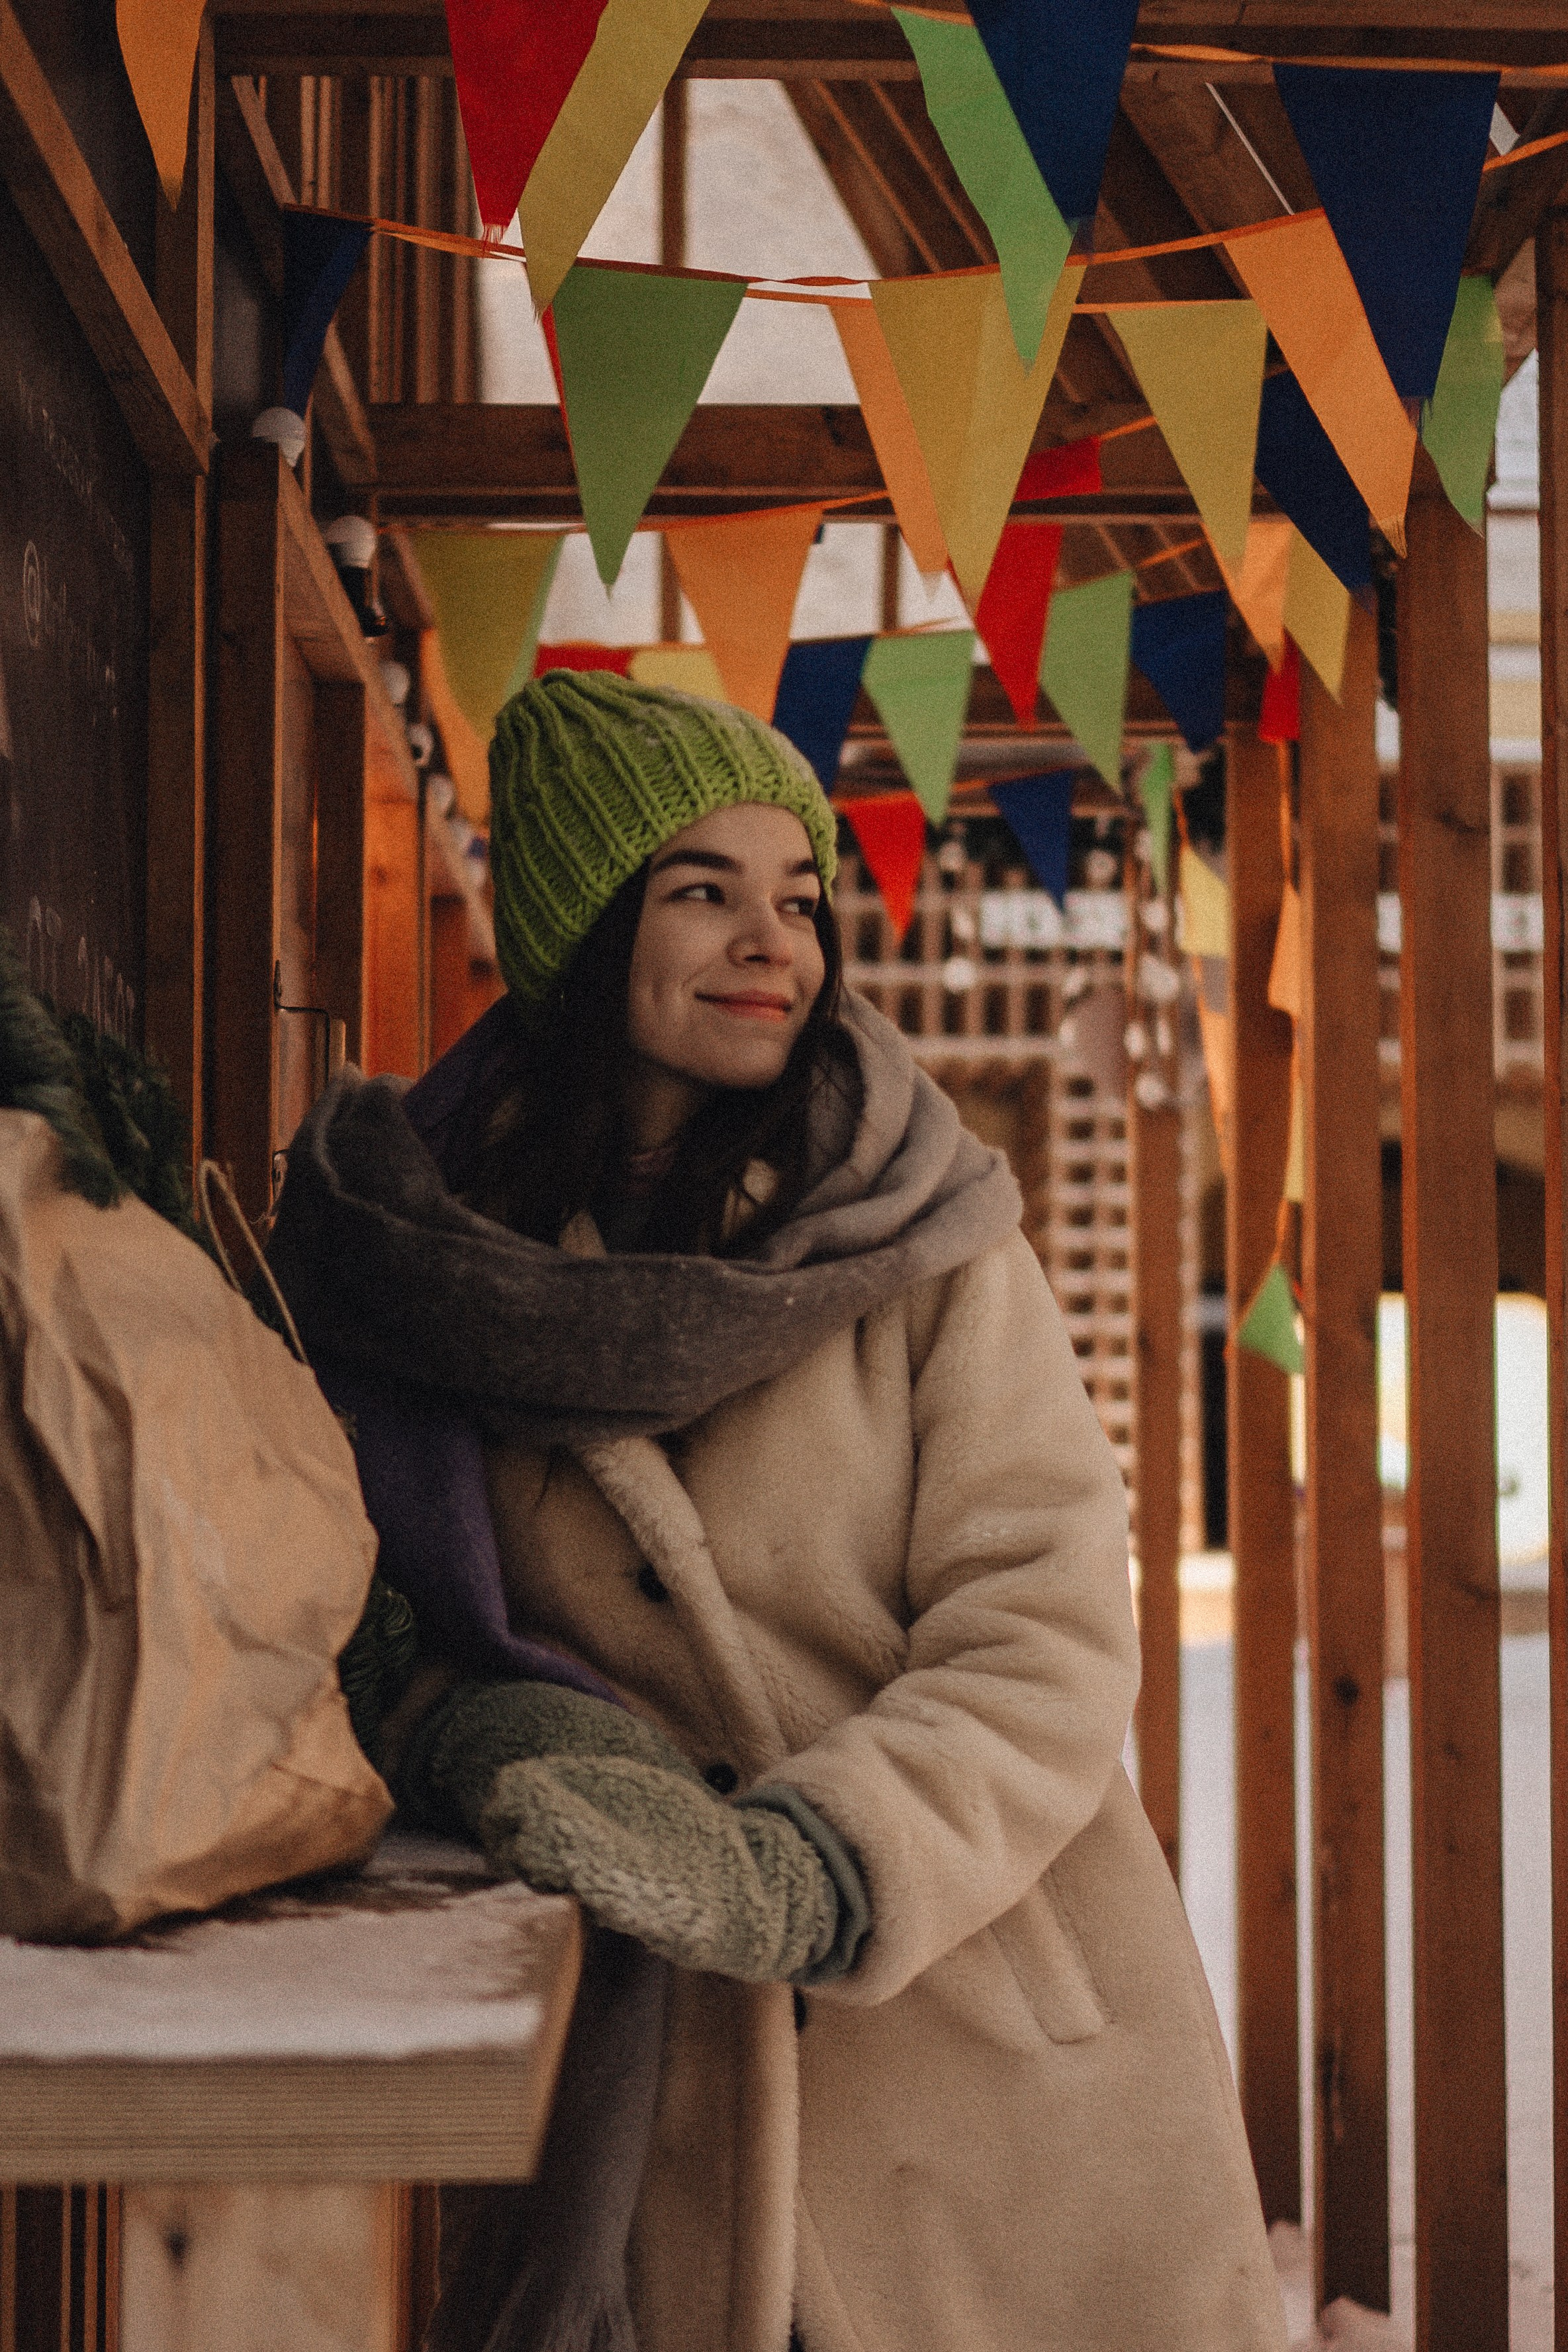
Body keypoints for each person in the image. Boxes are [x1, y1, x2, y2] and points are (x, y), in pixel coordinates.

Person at [269, 669, 1287, 2352]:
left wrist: (822, 1865)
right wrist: (490, 1727)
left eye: (798, 900)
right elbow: (358, 1610)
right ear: (587, 933)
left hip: (971, 2041)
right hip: (645, 2089)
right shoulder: (411, 1266)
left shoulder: (927, 1238)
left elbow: (1047, 1625)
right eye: (703, 893)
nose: (773, 944)